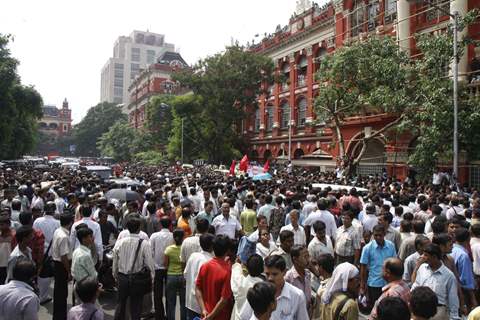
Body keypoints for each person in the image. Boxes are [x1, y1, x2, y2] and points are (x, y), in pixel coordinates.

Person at [239, 255, 309, 320]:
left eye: (274, 274)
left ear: (284, 272)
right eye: (267, 274)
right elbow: (244, 317)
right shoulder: (258, 292)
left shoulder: (297, 295)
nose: (270, 278)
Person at [112, 216, 155, 320]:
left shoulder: (120, 242)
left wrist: (115, 275)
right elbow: (149, 264)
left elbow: (115, 261)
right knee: (136, 306)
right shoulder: (144, 243)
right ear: (139, 229)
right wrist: (152, 278)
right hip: (137, 279)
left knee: (121, 304)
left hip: (122, 277)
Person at [412, 243, 459, 320]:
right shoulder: (422, 268)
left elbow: (453, 299)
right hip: (420, 310)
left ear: (434, 257)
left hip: (438, 311)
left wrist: (454, 317)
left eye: (426, 255)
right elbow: (416, 285)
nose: (422, 257)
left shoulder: (449, 276)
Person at [195, 235, 234, 320]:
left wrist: (203, 310)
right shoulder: (227, 271)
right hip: (221, 316)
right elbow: (224, 300)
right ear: (227, 251)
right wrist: (211, 316)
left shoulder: (205, 266)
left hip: (206, 314)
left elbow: (197, 289)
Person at [360, 225, 397, 311]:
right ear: (373, 235)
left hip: (388, 283)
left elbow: (394, 262)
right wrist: (362, 285)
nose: (378, 237)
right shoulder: (367, 248)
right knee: (376, 308)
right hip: (374, 284)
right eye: (376, 235)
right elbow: (363, 267)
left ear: (384, 234)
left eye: (380, 235)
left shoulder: (391, 245)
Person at [184, 233, 214, 320]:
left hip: (190, 302)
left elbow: (185, 274)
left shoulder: (193, 256)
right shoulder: (210, 261)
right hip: (202, 306)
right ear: (212, 246)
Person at [150, 217, 174, 320]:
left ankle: (159, 316)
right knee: (169, 294)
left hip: (157, 268)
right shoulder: (173, 236)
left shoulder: (154, 236)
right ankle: (169, 315)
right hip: (170, 268)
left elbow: (150, 252)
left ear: (160, 224)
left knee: (157, 294)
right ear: (170, 225)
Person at [52, 213, 74, 320]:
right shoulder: (64, 236)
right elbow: (64, 256)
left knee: (59, 292)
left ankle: (58, 315)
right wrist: (69, 271)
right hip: (61, 266)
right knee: (62, 293)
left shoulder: (58, 231)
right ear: (70, 223)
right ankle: (60, 316)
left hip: (58, 265)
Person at [451, 228, 477, 312]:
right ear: (468, 239)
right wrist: (473, 298)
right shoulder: (463, 255)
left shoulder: (451, 250)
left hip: (453, 290)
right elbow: (466, 279)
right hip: (463, 293)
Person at [231, 254, 264, 320]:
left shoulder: (239, 281)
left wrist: (238, 263)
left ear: (247, 268)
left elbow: (235, 271)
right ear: (262, 269)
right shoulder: (264, 287)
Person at [285, 245, 314, 315]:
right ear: (295, 259)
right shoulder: (288, 277)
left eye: (308, 256)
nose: (308, 260)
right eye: (305, 257)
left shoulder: (308, 274)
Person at [164, 228, 186, 320]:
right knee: (183, 303)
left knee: (171, 303)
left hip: (171, 276)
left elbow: (165, 265)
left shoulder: (168, 249)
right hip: (183, 276)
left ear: (173, 237)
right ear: (183, 237)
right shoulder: (184, 248)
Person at [0, 215, 16, 284]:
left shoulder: (13, 236)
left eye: (2, 224)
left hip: (9, 265)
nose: (0, 227)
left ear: (8, 224)